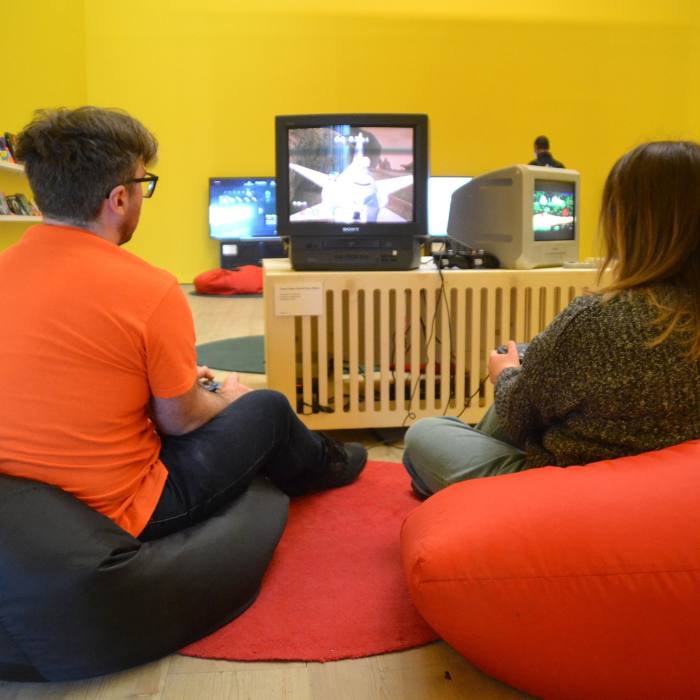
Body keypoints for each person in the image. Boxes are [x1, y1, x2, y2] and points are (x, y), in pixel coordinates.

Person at [0, 106, 367, 540]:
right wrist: (226, 399)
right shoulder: (149, 289)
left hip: (20, 502)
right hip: (115, 511)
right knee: (265, 407)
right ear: (118, 199)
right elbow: (182, 421)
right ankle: (330, 465)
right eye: (143, 184)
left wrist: (165, 380)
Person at [404, 140, 700, 496]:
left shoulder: (597, 320)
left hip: (568, 492)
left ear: (627, 222)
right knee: (533, 366)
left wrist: (505, 375)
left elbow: (519, 417)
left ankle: (466, 504)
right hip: (671, 490)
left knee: (426, 434)